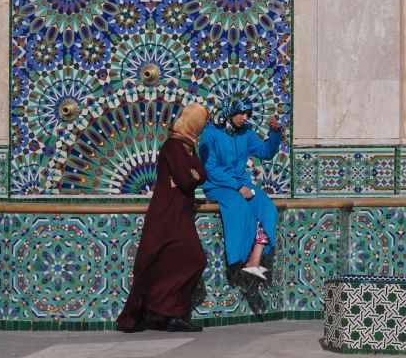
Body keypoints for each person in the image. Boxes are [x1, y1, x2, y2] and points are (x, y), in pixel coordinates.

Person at [117, 103, 210, 333]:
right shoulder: (173, 146)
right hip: (166, 213)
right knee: (164, 260)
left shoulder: (189, 147)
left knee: (190, 260)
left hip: (179, 213)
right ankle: (163, 313)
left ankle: (170, 314)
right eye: (201, 121)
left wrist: (193, 175)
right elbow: (188, 179)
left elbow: (200, 175)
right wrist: (192, 176)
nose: (203, 125)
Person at [199, 94, 282, 282]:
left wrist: (275, 134)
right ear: (230, 110)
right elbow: (210, 168)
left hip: (242, 183)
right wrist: (237, 187)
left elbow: (265, 152)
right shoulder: (211, 133)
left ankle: (255, 260)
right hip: (218, 185)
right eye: (241, 112)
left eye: (247, 113)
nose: (245, 117)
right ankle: (237, 261)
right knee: (239, 206)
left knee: (266, 206)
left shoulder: (246, 132)